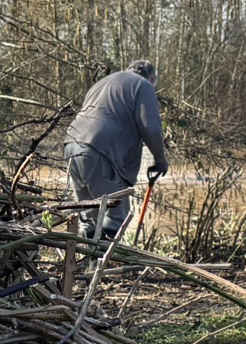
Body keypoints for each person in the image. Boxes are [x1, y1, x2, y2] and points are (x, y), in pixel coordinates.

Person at [64, 59, 169, 236]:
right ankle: (104, 263)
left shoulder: (102, 83)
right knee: (116, 215)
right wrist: (160, 160)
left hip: (71, 145)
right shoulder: (144, 86)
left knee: (89, 217)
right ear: (151, 77)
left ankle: (85, 262)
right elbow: (150, 126)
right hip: (99, 150)